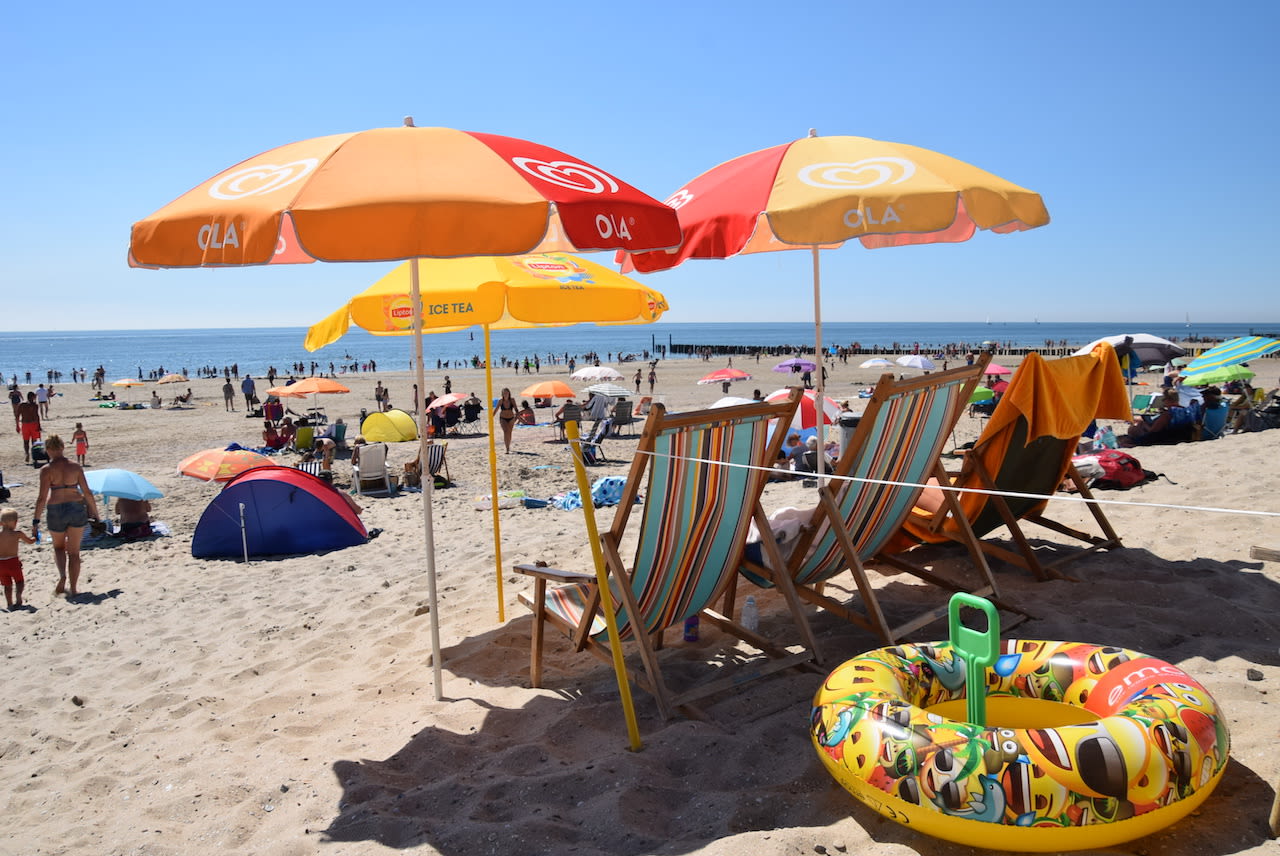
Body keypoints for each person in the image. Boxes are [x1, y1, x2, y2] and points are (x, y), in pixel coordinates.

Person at [33, 435, 98, 598]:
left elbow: (41, 498)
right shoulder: (75, 467)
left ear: (47, 450)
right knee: (74, 552)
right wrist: (95, 513)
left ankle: (62, 575)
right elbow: (87, 492)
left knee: (58, 547)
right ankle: (74, 588)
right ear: (62, 447)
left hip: (55, 508)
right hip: (75, 507)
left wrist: (36, 520)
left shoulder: (46, 470)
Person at [1122, 389, 1195, 446]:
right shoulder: (1185, 410)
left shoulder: (1168, 413)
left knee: (1133, 431)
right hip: (1184, 436)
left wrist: (1144, 424)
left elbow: (1153, 430)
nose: (1162, 402)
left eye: (1163, 399)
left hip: (1166, 438)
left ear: (1169, 400)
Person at [0, 507, 35, 610]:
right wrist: (35, 536)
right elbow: (30, 541)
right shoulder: (17, 534)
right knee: (19, 581)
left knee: (7, 585)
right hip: (13, 562)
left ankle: (9, 604)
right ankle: (18, 596)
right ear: (15, 522)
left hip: (1, 564)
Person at [15, 391, 41, 462]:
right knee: (34, 441)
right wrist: (39, 425)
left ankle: (27, 453)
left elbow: (17, 416)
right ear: (32, 397)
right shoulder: (35, 405)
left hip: (25, 424)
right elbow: (37, 416)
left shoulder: (22, 405)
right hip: (33, 424)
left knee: (25, 441)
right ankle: (34, 455)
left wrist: (17, 425)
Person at [497, 387, 517, 453]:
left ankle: (508, 445)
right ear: (502, 394)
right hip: (503, 418)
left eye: (506, 392)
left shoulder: (512, 400)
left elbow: (516, 409)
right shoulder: (500, 401)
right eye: (504, 393)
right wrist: (491, 417)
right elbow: (496, 409)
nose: (505, 394)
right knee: (505, 432)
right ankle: (507, 448)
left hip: (511, 418)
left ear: (509, 393)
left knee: (509, 432)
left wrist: (519, 416)